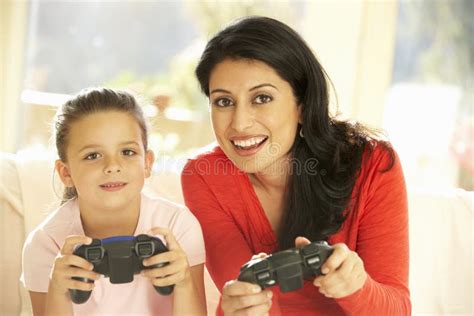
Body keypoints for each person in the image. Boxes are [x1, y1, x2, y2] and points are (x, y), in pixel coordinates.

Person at [181, 16, 410, 315]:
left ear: (302, 105)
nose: (239, 123)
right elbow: (250, 297)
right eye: (223, 102)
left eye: (262, 98)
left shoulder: (373, 164)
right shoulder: (204, 177)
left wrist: (358, 288)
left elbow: (398, 310)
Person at [21, 88, 207, 316]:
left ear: (147, 163)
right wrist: (58, 292)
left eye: (127, 152)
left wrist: (184, 282)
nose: (112, 165)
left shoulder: (178, 226)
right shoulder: (46, 243)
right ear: (66, 172)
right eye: (93, 156)